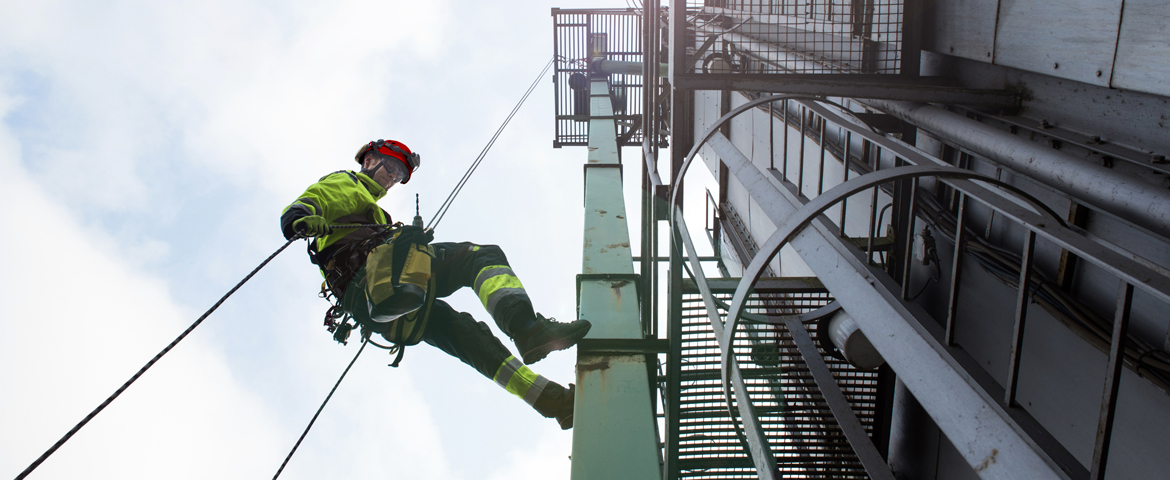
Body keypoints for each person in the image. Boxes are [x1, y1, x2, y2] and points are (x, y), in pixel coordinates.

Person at [279, 139, 591, 429]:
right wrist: (301, 216)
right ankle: (527, 329)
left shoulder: (376, 213)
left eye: (398, 175)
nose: (391, 178)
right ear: (370, 159)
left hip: (375, 302)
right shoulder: (350, 183)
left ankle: (555, 403)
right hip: (377, 277)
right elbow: (317, 199)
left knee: (470, 337)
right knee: (479, 258)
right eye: (389, 168)